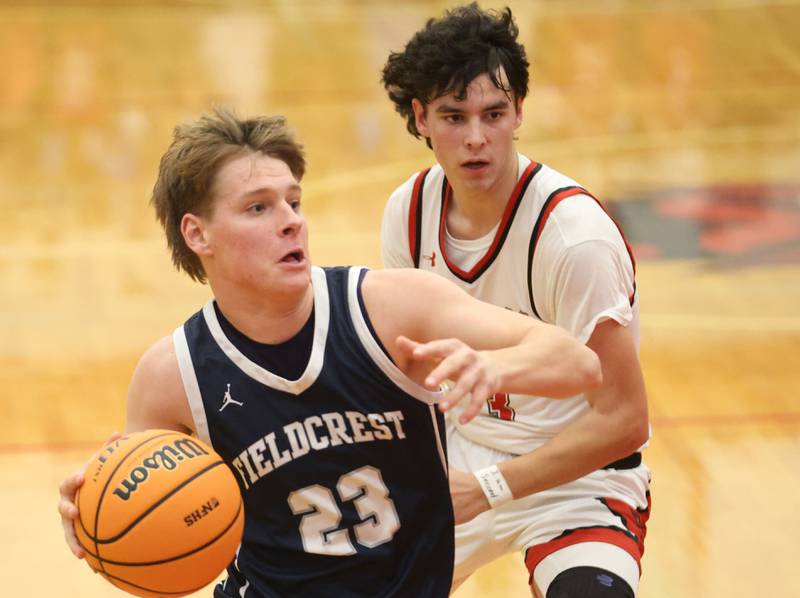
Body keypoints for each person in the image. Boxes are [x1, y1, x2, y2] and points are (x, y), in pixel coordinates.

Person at [58, 106, 602, 597]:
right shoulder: (171, 375)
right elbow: (142, 521)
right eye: (258, 208)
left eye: (293, 202)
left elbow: (577, 362)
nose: (292, 220)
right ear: (198, 235)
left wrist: (495, 365)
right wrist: (94, 521)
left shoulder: (391, 308)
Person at [380, 4, 651, 597]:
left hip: (575, 472)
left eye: (493, 114)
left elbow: (626, 419)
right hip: (456, 459)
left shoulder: (572, 237)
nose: (476, 139)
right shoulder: (408, 213)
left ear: (519, 112)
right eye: (454, 116)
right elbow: (404, 374)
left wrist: (493, 488)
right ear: (421, 117)